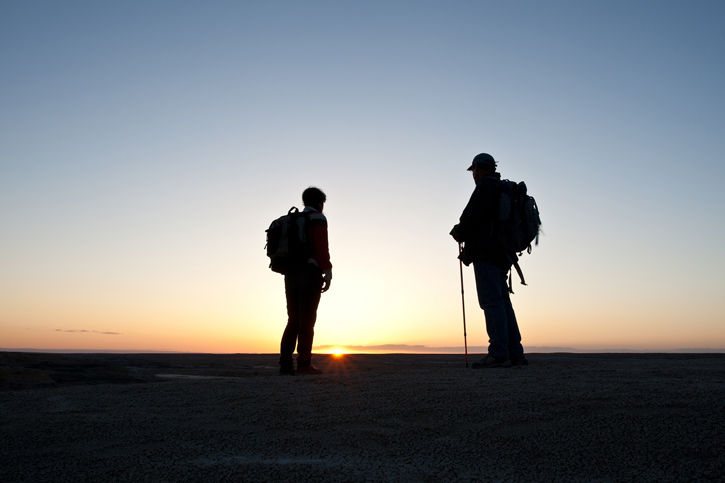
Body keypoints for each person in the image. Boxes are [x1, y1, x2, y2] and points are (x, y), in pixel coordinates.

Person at [450, 153, 528, 368]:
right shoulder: (501, 187)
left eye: (473, 170)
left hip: (487, 252)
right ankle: (515, 354)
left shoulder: (486, 186)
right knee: (503, 302)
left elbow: (472, 216)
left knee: (491, 301)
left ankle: (498, 353)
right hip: (504, 254)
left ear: (477, 168)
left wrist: (459, 231)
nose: (472, 175)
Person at [279, 187, 333, 375]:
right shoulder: (318, 218)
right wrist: (327, 271)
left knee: (293, 319)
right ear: (320, 202)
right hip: (310, 272)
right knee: (307, 320)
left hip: (291, 273)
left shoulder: (294, 220)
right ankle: (304, 364)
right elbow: (321, 246)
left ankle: (285, 365)